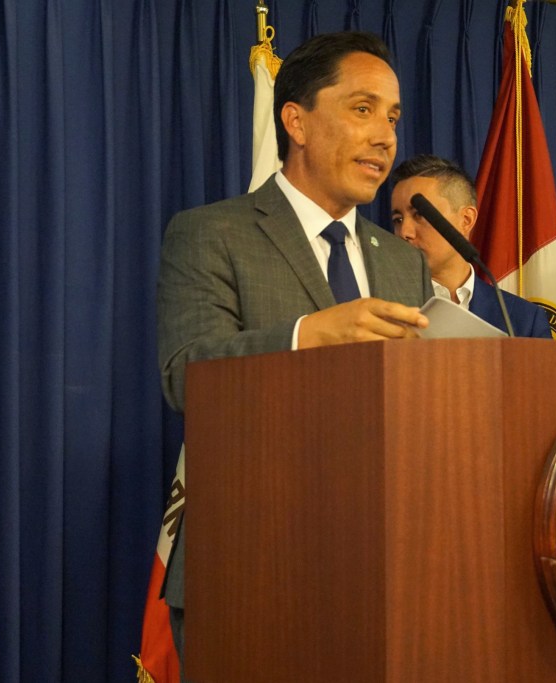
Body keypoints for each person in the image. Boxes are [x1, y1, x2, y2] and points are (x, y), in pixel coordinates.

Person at [156, 31, 433, 674]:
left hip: (389, 569)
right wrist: (309, 335)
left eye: (392, 117)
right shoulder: (211, 233)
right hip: (254, 565)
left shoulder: (403, 263)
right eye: (362, 109)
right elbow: (185, 374)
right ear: (297, 120)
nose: (386, 136)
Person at [389, 154, 552, 338]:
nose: (404, 232)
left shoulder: (523, 318)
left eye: (419, 215)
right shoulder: (384, 310)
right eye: (398, 220)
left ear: (466, 220)